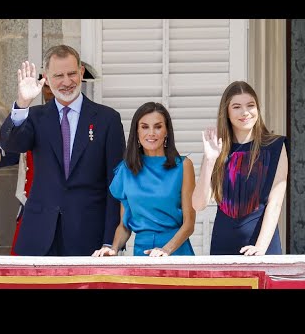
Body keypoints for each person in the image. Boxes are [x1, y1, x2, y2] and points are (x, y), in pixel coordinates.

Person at [0, 44, 126, 256]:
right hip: (39, 236)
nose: (67, 82)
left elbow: (115, 185)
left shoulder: (107, 119)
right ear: (46, 78)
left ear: (81, 73)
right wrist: (22, 103)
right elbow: (11, 144)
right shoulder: (35, 116)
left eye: (72, 73)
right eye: (58, 75)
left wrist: (109, 241)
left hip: (88, 237)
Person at [191, 81, 288, 255]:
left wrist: (260, 248)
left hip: (261, 244)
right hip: (224, 244)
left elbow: (275, 203)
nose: (245, 112)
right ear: (226, 112)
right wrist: (210, 160)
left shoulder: (275, 146)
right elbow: (198, 204)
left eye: (250, 105)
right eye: (236, 107)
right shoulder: (218, 149)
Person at [92, 102, 196, 257]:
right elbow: (124, 226)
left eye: (158, 127)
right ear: (137, 131)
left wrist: (166, 250)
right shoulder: (126, 169)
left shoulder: (183, 166)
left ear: (167, 131)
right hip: (141, 252)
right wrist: (113, 249)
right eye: (145, 127)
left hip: (176, 251)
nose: (151, 133)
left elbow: (189, 224)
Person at [0, 82, 54, 255]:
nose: (50, 92)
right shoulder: (31, 120)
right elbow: (10, 151)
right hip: (33, 212)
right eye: (47, 86)